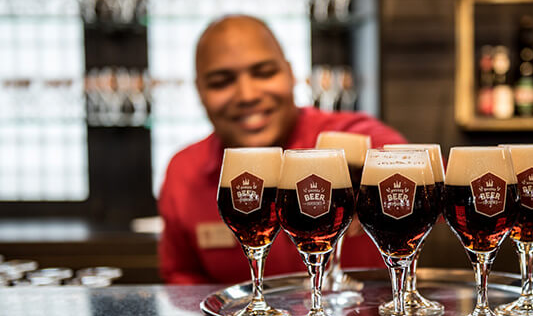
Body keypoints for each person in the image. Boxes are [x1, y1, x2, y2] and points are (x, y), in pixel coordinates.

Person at [158, 15, 407, 284]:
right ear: (199, 91)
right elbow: (181, 281)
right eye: (221, 82)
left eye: (264, 73)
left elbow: (434, 196)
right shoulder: (184, 171)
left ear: (290, 74)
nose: (247, 95)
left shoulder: (354, 136)